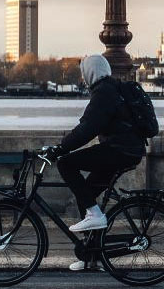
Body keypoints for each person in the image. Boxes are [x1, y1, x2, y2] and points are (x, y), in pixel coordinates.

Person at [46, 54, 146, 271]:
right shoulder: (112, 88)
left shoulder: (104, 93)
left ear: (89, 73)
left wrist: (60, 149)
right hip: (127, 149)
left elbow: (86, 129)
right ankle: (93, 255)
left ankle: (95, 218)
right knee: (87, 194)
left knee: (66, 164)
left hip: (119, 150)